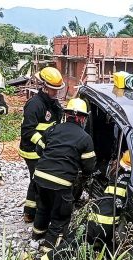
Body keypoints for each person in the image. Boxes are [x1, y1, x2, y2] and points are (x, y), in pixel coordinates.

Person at [27, 151, 130, 260]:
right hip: (107, 220)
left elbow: (93, 170)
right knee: (77, 240)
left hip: (101, 219)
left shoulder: (115, 173)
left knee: (72, 243)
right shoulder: (132, 178)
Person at [31, 98, 95, 251]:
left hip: (39, 177)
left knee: (43, 207)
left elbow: (39, 150)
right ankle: (49, 249)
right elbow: (89, 166)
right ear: (83, 118)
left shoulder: (53, 129)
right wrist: (83, 176)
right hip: (61, 184)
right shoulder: (85, 138)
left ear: (67, 115)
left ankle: (37, 235)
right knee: (60, 216)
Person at [19, 67, 65, 223]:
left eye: (57, 89)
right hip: (32, 150)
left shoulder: (54, 104)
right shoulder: (34, 104)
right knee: (37, 179)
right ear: (44, 87)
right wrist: (44, 144)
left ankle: (35, 209)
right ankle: (30, 212)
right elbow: (28, 131)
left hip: (45, 150)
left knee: (38, 179)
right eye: (53, 90)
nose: (56, 93)